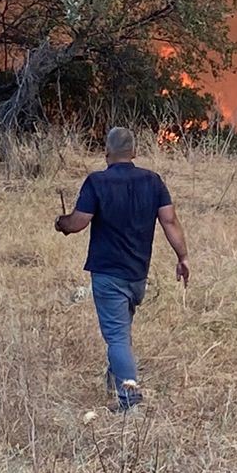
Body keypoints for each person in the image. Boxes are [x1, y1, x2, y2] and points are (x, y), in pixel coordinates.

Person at [53, 126, 188, 412]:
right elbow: (170, 221)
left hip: (108, 273)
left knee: (116, 336)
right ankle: (113, 385)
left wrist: (61, 223)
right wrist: (183, 257)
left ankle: (129, 400)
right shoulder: (153, 181)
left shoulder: (97, 182)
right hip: (137, 274)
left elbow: (78, 222)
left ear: (107, 153)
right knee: (121, 332)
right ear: (134, 152)